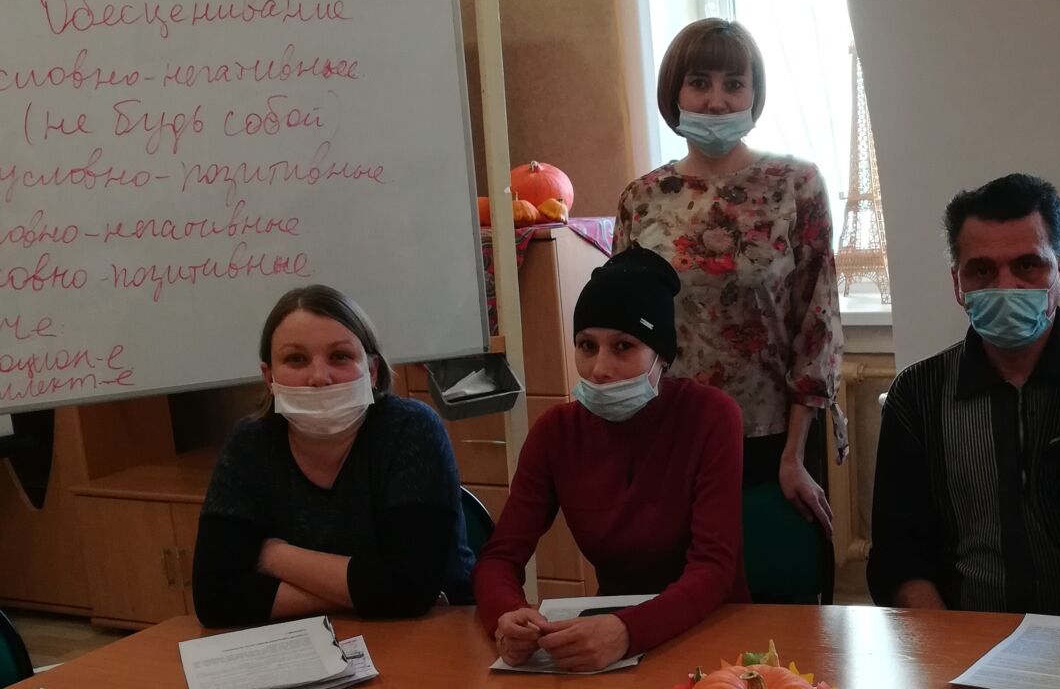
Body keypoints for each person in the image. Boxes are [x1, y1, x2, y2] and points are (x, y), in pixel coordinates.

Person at [868, 173, 1060, 617]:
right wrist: (948, 645)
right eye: (982, 270)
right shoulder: (916, 396)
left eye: (1028, 265)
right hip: (960, 638)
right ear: (957, 285)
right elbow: (899, 557)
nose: (1006, 286)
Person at [613, 18, 844, 601]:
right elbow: (624, 331)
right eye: (699, 82)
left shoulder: (796, 185)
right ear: (675, 92)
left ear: (753, 95)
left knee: (777, 607)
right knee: (677, 610)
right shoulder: (642, 199)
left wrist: (794, 456)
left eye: (733, 84)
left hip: (773, 443)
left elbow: (818, 323)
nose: (716, 100)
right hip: (671, 443)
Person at [472, 248, 746, 672]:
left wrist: (627, 631)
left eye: (623, 346)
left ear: (661, 357)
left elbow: (714, 569)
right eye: (586, 345)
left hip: (713, 632)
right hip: (609, 643)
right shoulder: (556, 432)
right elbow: (499, 558)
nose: (600, 368)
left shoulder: (711, 416)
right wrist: (507, 616)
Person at [193, 285, 474, 627]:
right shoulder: (250, 443)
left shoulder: (411, 429)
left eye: (340, 356)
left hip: (434, 632)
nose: (319, 378)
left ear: (372, 371)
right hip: (304, 642)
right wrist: (369, 591)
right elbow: (214, 599)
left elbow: (411, 590)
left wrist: (275, 556)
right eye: (296, 359)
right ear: (269, 378)